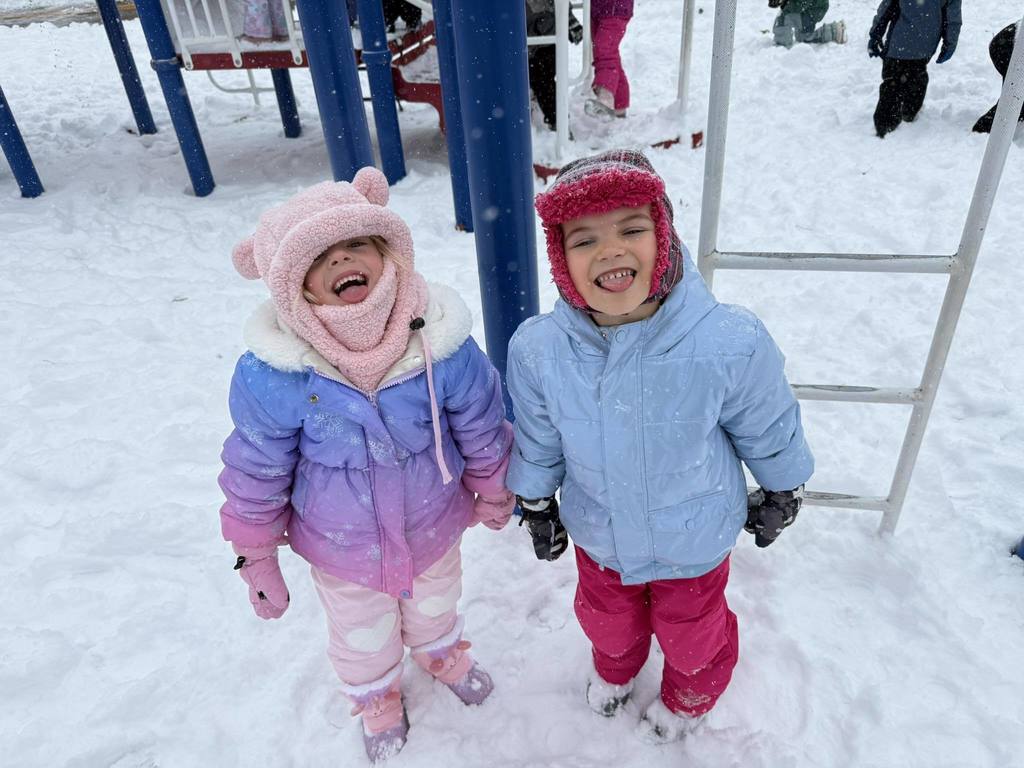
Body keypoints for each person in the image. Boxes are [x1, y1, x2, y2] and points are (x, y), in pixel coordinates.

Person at [506, 150, 814, 744]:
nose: (611, 250)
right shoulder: (540, 350)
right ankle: (615, 668)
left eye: (632, 229)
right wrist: (536, 502)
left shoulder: (728, 339)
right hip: (601, 536)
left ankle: (689, 693)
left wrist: (782, 485)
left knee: (692, 635)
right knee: (608, 623)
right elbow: (540, 438)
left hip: (694, 541)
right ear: (560, 259)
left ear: (664, 236)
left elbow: (766, 422)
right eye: (584, 239)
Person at [218, 167, 515, 763]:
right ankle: (376, 692)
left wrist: (493, 486)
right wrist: (256, 554)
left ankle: (438, 650)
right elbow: (256, 468)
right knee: (362, 630)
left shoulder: (440, 340)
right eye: (319, 258)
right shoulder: (276, 373)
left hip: (432, 522)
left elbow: (481, 418)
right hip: (343, 546)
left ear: (388, 254)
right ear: (293, 289)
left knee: (435, 600)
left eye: (356, 245)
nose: (342, 261)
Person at [868, 0, 962, 138]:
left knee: (892, 81)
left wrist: (875, 35)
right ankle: (909, 112)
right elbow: (953, 19)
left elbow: (886, 7)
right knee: (917, 76)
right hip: (924, 45)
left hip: (898, 43)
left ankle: (885, 123)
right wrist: (950, 44)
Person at [526, 0, 584, 131]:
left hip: (547, 38)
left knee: (544, 80)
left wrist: (570, 23)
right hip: (526, 38)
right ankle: (552, 116)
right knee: (539, 79)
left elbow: (561, 4)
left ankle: (557, 121)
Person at [973, 23, 1024, 134]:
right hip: (1007, 47)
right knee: (1013, 99)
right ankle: (982, 132)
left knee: (1018, 99)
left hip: (1009, 43)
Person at [586, 1, 634, 119]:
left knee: (604, 50)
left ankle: (606, 95)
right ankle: (619, 106)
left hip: (615, 9)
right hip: (598, 10)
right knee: (607, 56)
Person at [768, 0, 846, 48]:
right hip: (812, 7)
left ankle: (781, 47)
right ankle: (834, 30)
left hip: (813, 8)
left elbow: (799, 6)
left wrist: (784, 2)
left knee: (784, 18)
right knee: (804, 36)